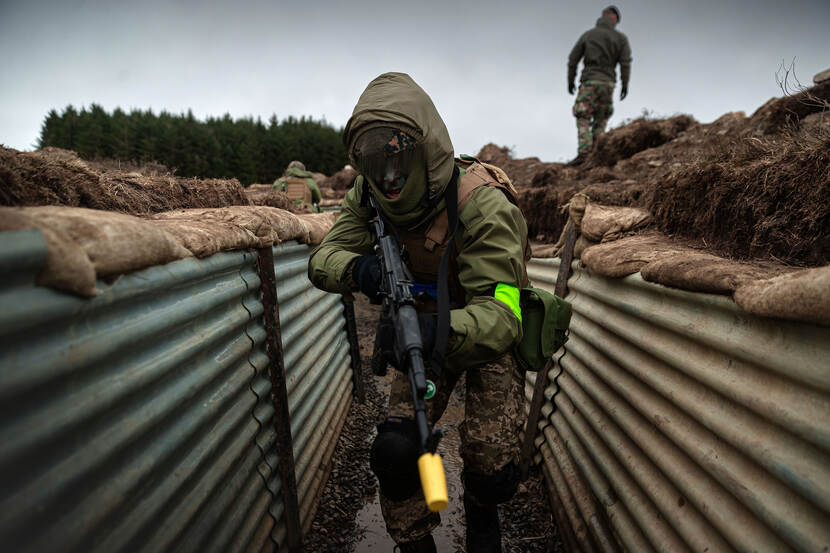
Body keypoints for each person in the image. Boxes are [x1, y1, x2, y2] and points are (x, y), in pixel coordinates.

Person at [308, 72, 530, 553]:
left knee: (491, 466)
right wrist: (364, 270)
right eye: (372, 161)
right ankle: (414, 542)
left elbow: (505, 312)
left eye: (399, 159)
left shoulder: (482, 204)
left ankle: (483, 522)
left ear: (425, 151)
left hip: (484, 329)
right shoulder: (367, 194)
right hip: (420, 326)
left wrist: (439, 332)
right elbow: (322, 261)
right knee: (397, 452)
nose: (387, 178)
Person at [567, 5, 632, 164]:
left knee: (583, 114)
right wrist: (624, 84)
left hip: (589, 80)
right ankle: (597, 155)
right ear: (615, 19)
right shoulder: (621, 38)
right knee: (601, 118)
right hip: (608, 83)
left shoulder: (588, 35)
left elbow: (573, 59)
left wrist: (571, 80)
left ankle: (584, 153)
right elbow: (625, 63)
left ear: (603, 16)